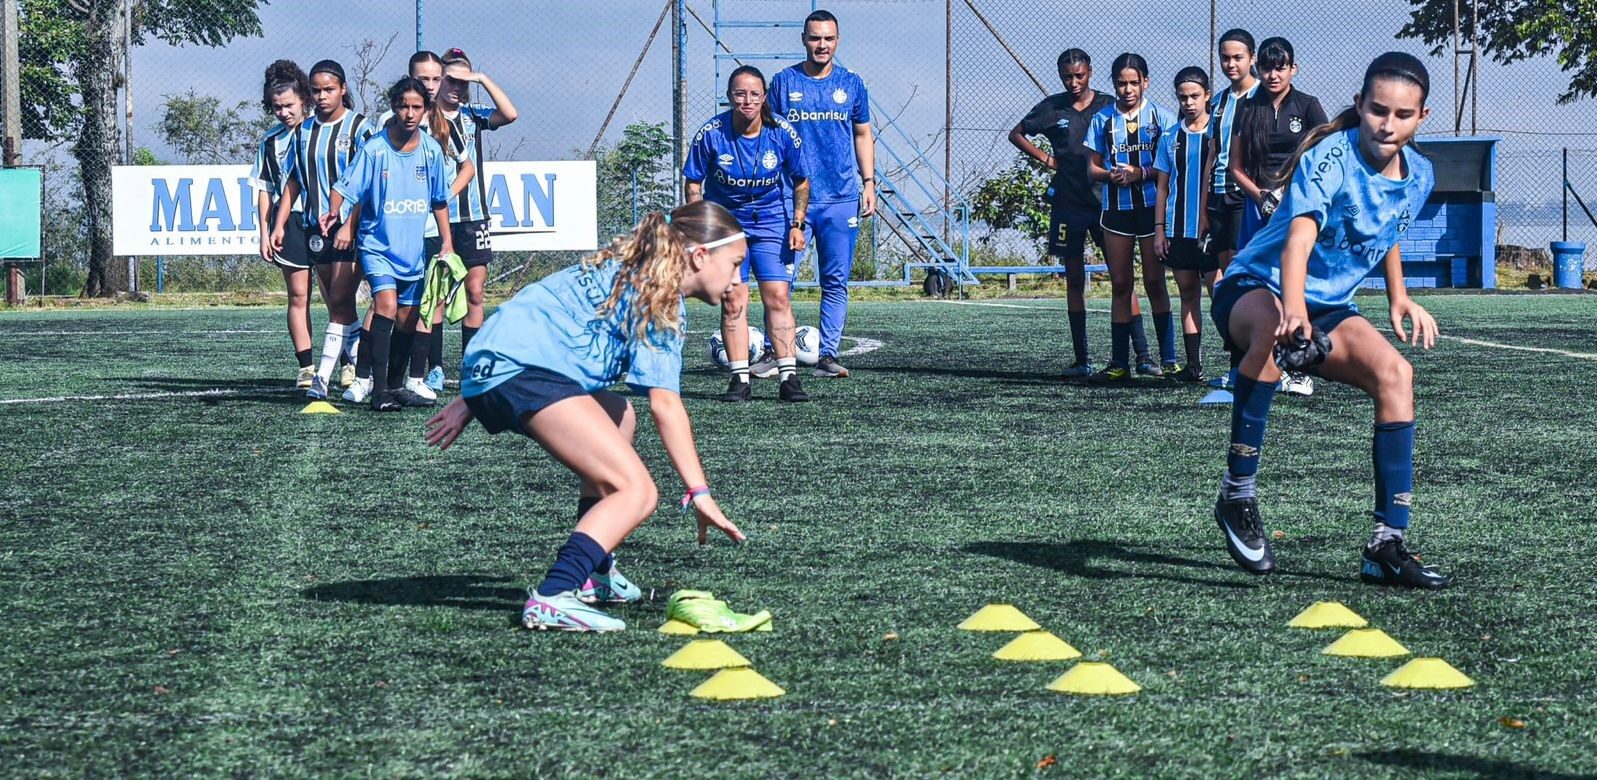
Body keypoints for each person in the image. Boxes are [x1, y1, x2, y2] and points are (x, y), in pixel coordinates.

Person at [423, 200, 749, 632]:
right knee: (638, 492)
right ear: (701, 256)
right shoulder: (660, 294)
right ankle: (555, 594)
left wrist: (474, 390)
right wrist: (700, 493)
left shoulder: (630, 269)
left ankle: (596, 571)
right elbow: (666, 406)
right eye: (735, 264)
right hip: (517, 370)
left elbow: (543, 311)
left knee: (619, 414)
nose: (738, 279)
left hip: (498, 363)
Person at [1208, 52, 1448, 589]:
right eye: (1378, 110)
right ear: (1360, 105)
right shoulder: (1330, 157)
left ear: (1422, 117)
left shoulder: (1421, 176)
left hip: (1328, 306)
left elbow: (1386, 229)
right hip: (1258, 286)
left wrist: (1399, 297)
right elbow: (1298, 240)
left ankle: (1386, 545)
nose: (1388, 125)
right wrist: (1293, 308)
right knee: (1272, 330)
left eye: (1403, 115)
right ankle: (1237, 495)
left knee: (1397, 375)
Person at [346, 50, 477, 404]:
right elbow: (365, 181)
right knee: (382, 305)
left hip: (427, 233)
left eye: (436, 79)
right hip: (387, 234)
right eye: (424, 78)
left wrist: (443, 199)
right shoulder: (382, 129)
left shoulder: (443, 126)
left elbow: (464, 170)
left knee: (416, 311)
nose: (431, 85)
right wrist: (348, 224)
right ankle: (366, 380)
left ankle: (411, 379)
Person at [324, 77, 454, 411]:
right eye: (403, 106)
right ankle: (378, 390)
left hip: (411, 251)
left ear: (426, 110)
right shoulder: (375, 149)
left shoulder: (431, 150)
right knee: (385, 304)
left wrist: (447, 241)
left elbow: (440, 200)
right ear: (394, 108)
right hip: (376, 246)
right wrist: (334, 211)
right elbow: (346, 187)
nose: (409, 113)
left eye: (416, 107)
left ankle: (396, 385)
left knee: (408, 318)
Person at [684, 65, 812, 403]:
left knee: (778, 298)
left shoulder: (782, 132)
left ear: (764, 97)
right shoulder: (711, 134)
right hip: (726, 226)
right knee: (733, 300)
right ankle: (740, 378)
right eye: (740, 94)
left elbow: (801, 181)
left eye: (754, 94)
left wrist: (797, 224)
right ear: (729, 97)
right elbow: (693, 183)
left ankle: (789, 377)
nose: (747, 101)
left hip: (771, 221)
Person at [768, 9, 875, 378]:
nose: (822, 45)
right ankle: (774, 352)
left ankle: (828, 355)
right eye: (815, 38)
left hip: (840, 197)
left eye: (828, 38)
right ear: (804, 39)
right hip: (791, 200)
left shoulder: (852, 84)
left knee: (835, 281)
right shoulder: (783, 83)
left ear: (837, 40)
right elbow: (768, 136)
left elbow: (862, 134)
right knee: (780, 282)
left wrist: (869, 182)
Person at [270, 60, 380, 401]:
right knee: (337, 303)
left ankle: (327, 376)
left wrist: (350, 224)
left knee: (342, 300)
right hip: (316, 229)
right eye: (316, 90)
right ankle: (362, 365)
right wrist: (278, 224)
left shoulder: (360, 128)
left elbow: (369, 182)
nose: (322, 96)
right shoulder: (303, 131)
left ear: (343, 89)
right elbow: (293, 181)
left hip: (352, 229)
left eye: (329, 89)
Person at [1229, 37, 1327, 398]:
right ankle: (1249, 369)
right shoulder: (1246, 107)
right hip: (1257, 209)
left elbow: (1324, 158)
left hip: (1297, 207)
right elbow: (1236, 167)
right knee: (1254, 286)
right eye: (1267, 68)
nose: (1273, 75)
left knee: (1295, 287)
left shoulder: (1309, 106)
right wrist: (1261, 196)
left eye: (1280, 67)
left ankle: (1298, 369)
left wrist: (1292, 193)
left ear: (1293, 69)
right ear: (1258, 69)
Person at [1008, 49, 1115, 377]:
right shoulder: (1051, 108)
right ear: (1060, 76)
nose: (1074, 82)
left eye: (1079, 75)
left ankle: (1137, 356)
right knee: (1074, 279)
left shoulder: (1108, 105)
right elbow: (1016, 133)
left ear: (1090, 72)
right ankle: (1082, 360)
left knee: (1121, 278)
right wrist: (1047, 159)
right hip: (1068, 203)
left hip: (1105, 202)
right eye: (1067, 76)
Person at [424, 48, 519, 390]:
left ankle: (470, 366)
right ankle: (433, 368)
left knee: (475, 291)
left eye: (463, 82)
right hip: (435, 218)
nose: (456, 87)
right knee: (436, 293)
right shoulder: (424, 116)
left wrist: (480, 78)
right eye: (451, 79)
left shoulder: (472, 115)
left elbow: (510, 114)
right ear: (440, 79)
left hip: (474, 216)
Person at [1084, 53, 1179, 383]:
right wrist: (1109, 175)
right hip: (1116, 212)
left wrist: (1141, 173)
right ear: (1113, 84)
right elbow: (1091, 168)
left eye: (1134, 83)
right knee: (1121, 284)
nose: (1128, 89)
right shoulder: (1102, 120)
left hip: (1152, 212)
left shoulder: (1162, 118)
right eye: (1121, 83)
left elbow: (1171, 167)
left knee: (1154, 282)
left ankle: (1169, 360)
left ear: (1145, 83)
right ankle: (1119, 363)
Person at [251, 60, 317, 388]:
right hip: (288, 223)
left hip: (325, 219)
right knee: (298, 295)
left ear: (304, 99)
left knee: (337, 297)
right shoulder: (270, 141)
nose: (284, 112)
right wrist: (264, 233)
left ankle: (349, 362)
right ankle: (306, 367)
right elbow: (264, 189)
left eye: (289, 105)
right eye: (277, 107)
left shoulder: (321, 130)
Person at [1153, 66, 1216, 383]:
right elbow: (1162, 187)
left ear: (1207, 95)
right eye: (1183, 97)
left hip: (1212, 230)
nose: (1189, 102)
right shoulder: (1170, 137)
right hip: (1178, 230)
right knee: (1188, 294)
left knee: (1221, 295)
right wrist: (1159, 230)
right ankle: (1193, 366)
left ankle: (1241, 365)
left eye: (1195, 96)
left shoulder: (1219, 132)